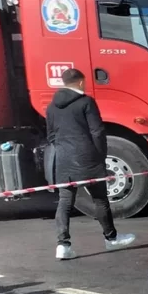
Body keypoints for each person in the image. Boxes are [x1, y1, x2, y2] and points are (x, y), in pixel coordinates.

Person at [47, 68, 136, 260]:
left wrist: (64, 150)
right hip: (88, 157)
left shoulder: (51, 106)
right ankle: (111, 238)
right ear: (80, 82)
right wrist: (100, 155)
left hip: (63, 159)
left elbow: (51, 135)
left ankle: (63, 245)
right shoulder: (86, 102)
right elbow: (97, 131)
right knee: (99, 199)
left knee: (64, 201)